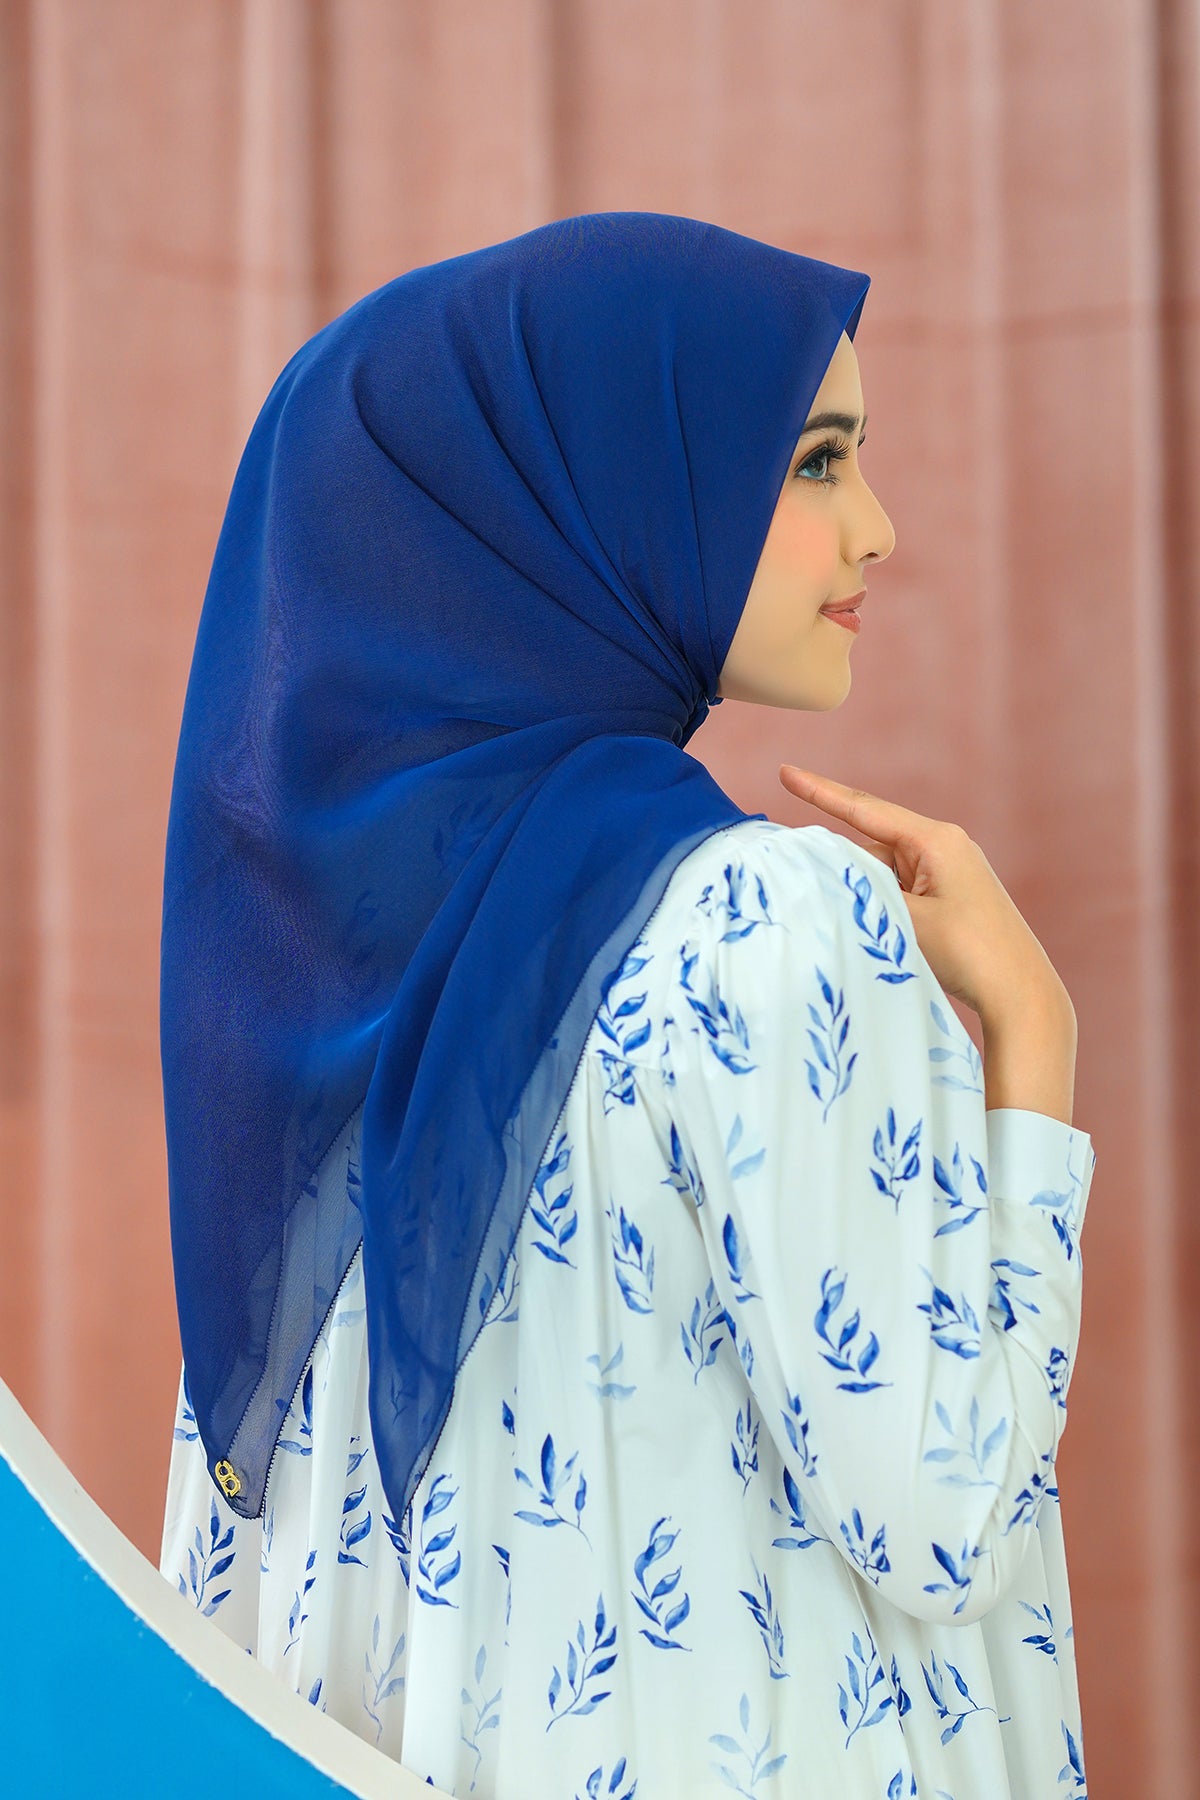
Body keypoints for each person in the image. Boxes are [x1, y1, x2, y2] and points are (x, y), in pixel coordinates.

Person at [159, 215, 1094, 1798]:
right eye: (814, 462)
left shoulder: (316, 993)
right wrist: (1033, 1035)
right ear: (602, 492)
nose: (876, 531)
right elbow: (946, 1515)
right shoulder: (764, 920)